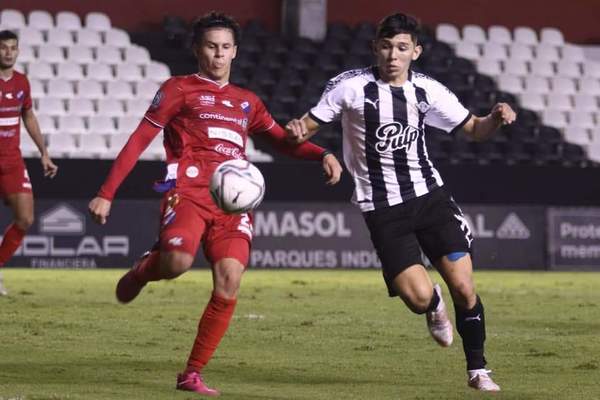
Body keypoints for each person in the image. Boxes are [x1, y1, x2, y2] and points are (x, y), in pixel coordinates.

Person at [88, 12, 342, 396]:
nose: (218, 55)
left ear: (235, 52)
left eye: (225, 48)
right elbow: (139, 139)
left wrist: (320, 153)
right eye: (211, 46)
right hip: (189, 193)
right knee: (176, 264)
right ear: (197, 49)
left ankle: (192, 373)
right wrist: (106, 192)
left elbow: (279, 140)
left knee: (230, 279)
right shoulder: (178, 89)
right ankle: (145, 269)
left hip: (234, 204)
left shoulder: (247, 102)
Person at [285, 13, 516, 392]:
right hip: (382, 209)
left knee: (463, 285)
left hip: (430, 198)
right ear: (376, 48)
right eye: (387, 46)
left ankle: (478, 370)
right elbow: (306, 126)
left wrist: (495, 117)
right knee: (418, 296)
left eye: (402, 48)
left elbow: (474, 130)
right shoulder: (350, 87)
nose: (394, 55)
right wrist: (298, 132)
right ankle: (432, 304)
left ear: (416, 52)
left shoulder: (428, 90)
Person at [0, 30, 58, 295]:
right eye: (3, 48)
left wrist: (43, 152)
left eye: (13, 48)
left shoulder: (21, 82)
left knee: (25, 218)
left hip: (12, 161)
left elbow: (29, 116)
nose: (8, 52)